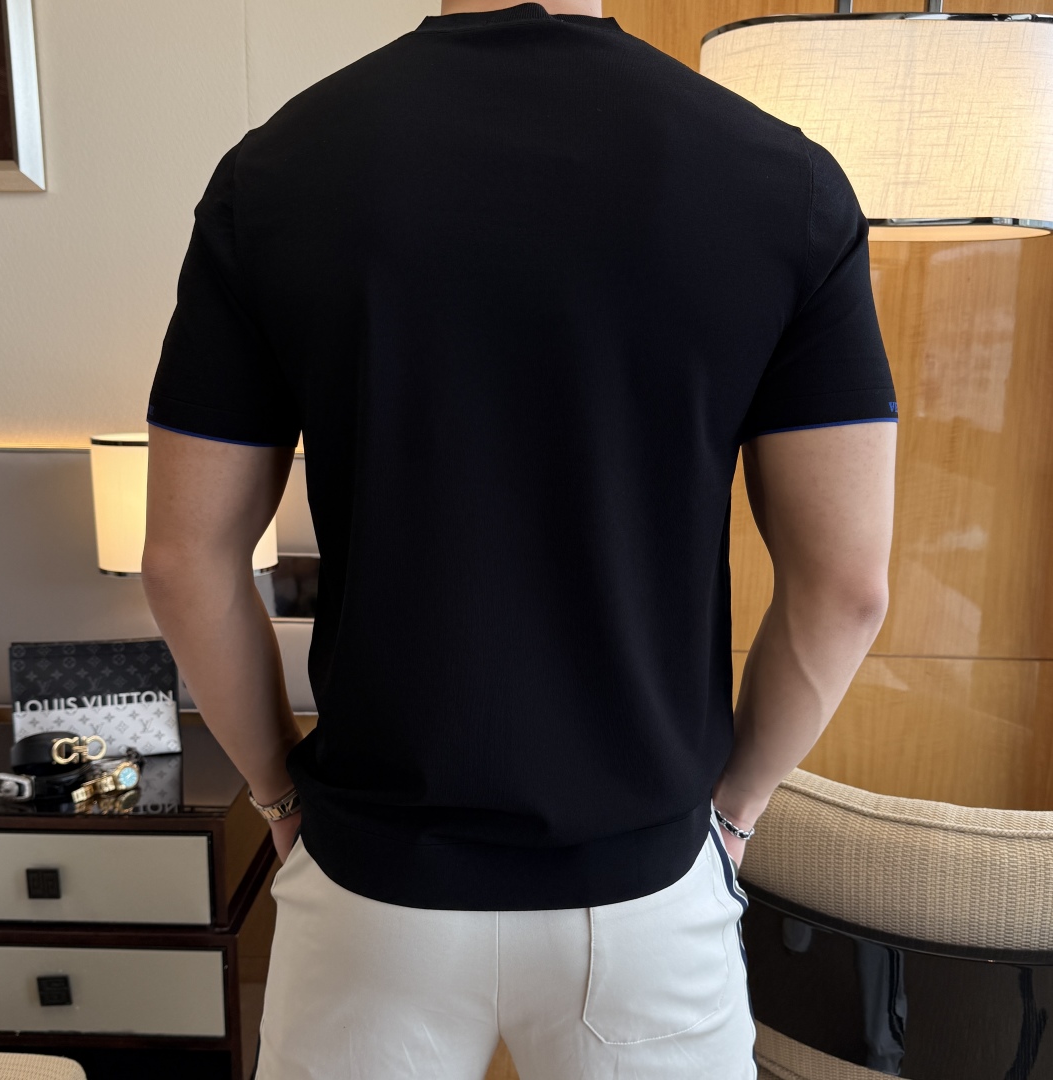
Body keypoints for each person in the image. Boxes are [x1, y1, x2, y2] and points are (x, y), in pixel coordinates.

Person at [141, 1, 897, 1077]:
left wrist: (276, 792)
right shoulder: (785, 183)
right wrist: (733, 814)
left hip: (372, 882)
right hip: (644, 889)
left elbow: (183, 563)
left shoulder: (275, 173)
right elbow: (847, 587)